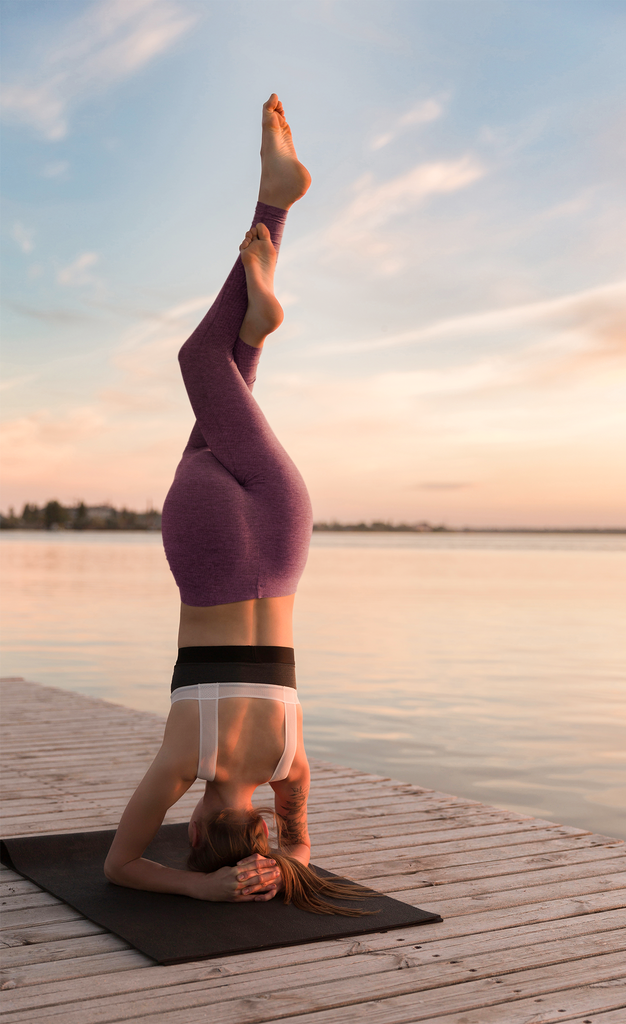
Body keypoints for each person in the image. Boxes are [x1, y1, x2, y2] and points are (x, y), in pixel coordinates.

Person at [105, 95, 367, 914]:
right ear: (193, 828)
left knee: (230, 372)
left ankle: (269, 242)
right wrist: (205, 893)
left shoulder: (291, 764)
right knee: (199, 359)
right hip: (214, 553)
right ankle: (274, 209)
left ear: (252, 827)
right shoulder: (187, 761)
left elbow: (300, 839)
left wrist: (287, 855)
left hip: (285, 535)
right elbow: (121, 867)